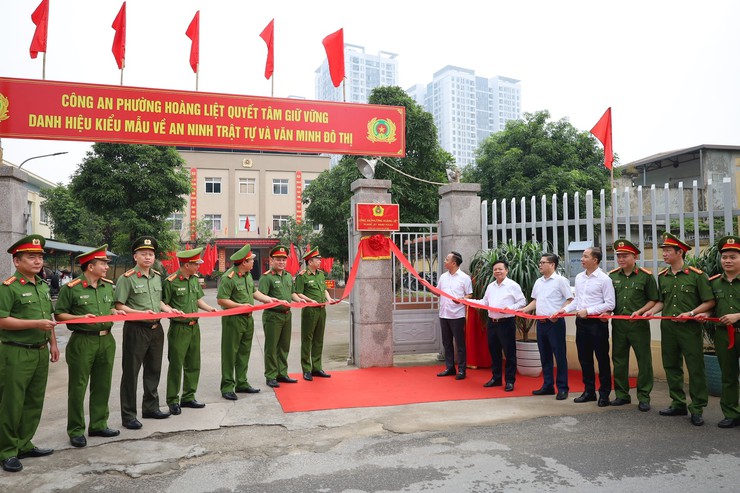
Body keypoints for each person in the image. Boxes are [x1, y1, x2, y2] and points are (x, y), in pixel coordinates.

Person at [55, 245, 123, 448]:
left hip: (106, 340)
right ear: (90, 266)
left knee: (102, 384)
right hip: (83, 341)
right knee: (78, 386)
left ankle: (98, 424)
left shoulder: (107, 286)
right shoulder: (71, 288)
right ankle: (76, 429)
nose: (105, 267)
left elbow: (108, 306)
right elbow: (59, 315)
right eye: (102, 264)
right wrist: (79, 317)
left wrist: (114, 312)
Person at [643, 233, 715, 426]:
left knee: (695, 368)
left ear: (680, 252)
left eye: (668, 251)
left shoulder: (697, 276)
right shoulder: (663, 277)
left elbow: (709, 302)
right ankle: (678, 403)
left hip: (689, 328)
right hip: (669, 328)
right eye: (663, 251)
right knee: (671, 365)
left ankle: (697, 407)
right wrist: (650, 312)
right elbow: (661, 302)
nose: (664, 254)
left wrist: (690, 313)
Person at [0, 235, 58, 473]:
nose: (37, 261)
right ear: (17, 261)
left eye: (40, 257)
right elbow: (2, 320)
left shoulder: (43, 286)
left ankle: (24, 443)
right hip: (15, 352)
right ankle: (7, 451)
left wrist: (54, 344)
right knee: (12, 403)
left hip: (40, 351)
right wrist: (35, 324)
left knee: (34, 401)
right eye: (31, 257)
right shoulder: (9, 287)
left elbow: (49, 319)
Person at [115, 236, 182, 430]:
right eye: (143, 254)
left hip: (156, 328)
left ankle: (151, 407)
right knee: (131, 373)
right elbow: (119, 305)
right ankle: (128, 415)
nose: (147, 257)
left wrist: (168, 309)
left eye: (151, 254)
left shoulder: (156, 277)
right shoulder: (126, 279)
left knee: (153, 370)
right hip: (136, 329)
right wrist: (139, 313)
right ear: (135, 256)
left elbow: (159, 301)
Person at [217, 244, 276, 400]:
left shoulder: (248, 275)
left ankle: (241, 382)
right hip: (233, 320)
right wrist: (241, 306)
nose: (253, 262)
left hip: (248, 320)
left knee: (244, 352)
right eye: (251, 260)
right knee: (230, 354)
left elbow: (254, 292)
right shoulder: (228, 278)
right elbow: (221, 300)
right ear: (244, 262)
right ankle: (227, 386)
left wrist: (269, 299)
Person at [162, 247, 217, 415]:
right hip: (179, 328)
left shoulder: (194, 279)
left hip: (195, 327)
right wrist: (169, 310)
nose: (199, 266)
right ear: (187, 265)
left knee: (194, 363)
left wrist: (209, 309)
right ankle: (172, 400)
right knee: (177, 364)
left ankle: (188, 397)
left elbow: (198, 299)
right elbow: (163, 303)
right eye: (196, 264)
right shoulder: (171, 281)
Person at [607, 239, 659, 412]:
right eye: (619, 256)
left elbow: (654, 299)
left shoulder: (646, 276)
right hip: (619, 325)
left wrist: (641, 312)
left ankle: (644, 397)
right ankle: (622, 394)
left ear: (635, 256)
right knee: (619, 360)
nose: (621, 259)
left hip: (639, 325)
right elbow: (607, 300)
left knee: (644, 361)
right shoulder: (612, 276)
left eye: (625, 256)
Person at [560, 247, 615, 407]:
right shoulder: (579, 278)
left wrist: (589, 311)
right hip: (581, 323)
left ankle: (604, 394)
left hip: (597, 324)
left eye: (585, 256)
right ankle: (589, 391)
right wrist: (564, 310)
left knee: (602, 359)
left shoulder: (604, 279)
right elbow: (577, 301)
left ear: (595, 260)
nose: (582, 259)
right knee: (584, 359)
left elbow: (610, 303)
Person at [700, 235, 740, 428]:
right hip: (724, 335)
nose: (728, 261)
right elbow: (712, 306)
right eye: (725, 257)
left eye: (733, 257)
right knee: (728, 375)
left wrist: (737, 315)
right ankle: (731, 413)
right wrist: (705, 315)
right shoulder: (714, 282)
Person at [521, 253, 573, 400]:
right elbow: (535, 301)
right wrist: (524, 310)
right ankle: (548, 385)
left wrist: (560, 312)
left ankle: (563, 388)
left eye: (543, 262)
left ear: (552, 264)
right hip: (541, 323)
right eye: (540, 262)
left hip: (555, 324)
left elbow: (570, 299)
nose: (540, 265)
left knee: (560, 356)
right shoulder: (539, 282)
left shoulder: (560, 281)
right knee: (545, 356)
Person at [471, 259, 526, 391]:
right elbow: (484, 302)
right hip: (492, 323)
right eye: (495, 269)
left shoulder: (513, 285)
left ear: (506, 270)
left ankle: (510, 381)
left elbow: (522, 301)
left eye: (500, 269)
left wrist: (511, 308)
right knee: (494, 352)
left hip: (506, 322)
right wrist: (466, 301)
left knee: (509, 353)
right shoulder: (490, 286)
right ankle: (496, 378)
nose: (497, 271)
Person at [259, 245, 304, 388]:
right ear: (271, 261)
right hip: (273, 316)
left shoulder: (288, 276)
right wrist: (276, 301)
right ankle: (271, 375)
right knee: (272, 347)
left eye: (284, 260)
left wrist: (299, 299)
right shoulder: (267, 277)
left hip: (286, 315)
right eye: (278, 260)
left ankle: (282, 373)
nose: (282, 262)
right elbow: (262, 296)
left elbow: (292, 293)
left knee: (284, 346)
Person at [295, 247, 335, 381]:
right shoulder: (302, 276)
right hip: (310, 310)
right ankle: (306, 369)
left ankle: (317, 367)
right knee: (307, 340)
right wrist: (309, 300)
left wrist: (329, 298)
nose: (319, 261)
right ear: (310, 261)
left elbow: (324, 289)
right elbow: (298, 292)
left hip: (322, 310)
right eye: (317, 260)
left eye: (319, 259)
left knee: (319, 339)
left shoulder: (320, 274)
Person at [436, 251, 473, 380]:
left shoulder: (464, 278)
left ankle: (462, 370)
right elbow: (437, 292)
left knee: (460, 344)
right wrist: (426, 285)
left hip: (457, 315)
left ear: (454, 263)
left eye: (447, 259)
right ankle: (450, 367)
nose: (445, 261)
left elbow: (469, 294)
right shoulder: (443, 277)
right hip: (444, 313)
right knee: (446, 343)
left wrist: (461, 298)